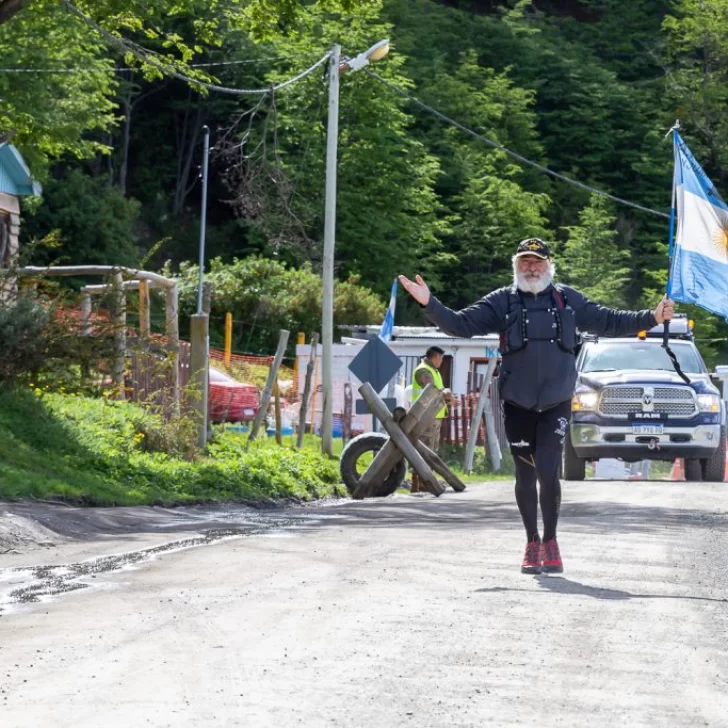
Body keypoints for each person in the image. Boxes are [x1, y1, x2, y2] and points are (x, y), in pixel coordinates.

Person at [399, 237, 674, 574]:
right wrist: (429, 303)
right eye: (524, 262)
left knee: (548, 468)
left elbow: (610, 320)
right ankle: (532, 542)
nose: (531, 268)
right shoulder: (503, 302)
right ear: (516, 266)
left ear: (549, 265)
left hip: (556, 403)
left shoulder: (567, 301)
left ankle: (552, 540)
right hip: (517, 404)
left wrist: (652, 317)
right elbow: (461, 325)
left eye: (537, 262)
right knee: (526, 475)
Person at [410, 345, 452, 493]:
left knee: (431, 450)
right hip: (424, 417)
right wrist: (445, 393)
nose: (441, 361)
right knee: (424, 450)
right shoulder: (423, 371)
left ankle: (423, 481)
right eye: (441, 358)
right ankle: (421, 482)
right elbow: (431, 390)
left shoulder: (434, 371)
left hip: (432, 417)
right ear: (435, 357)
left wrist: (446, 399)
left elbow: (437, 395)